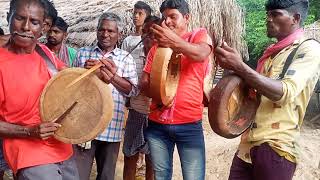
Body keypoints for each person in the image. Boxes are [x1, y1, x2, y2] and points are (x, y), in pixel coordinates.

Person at [214, 0, 320, 180]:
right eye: (267, 14)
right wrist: (231, 69)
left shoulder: (309, 49)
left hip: (276, 148)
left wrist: (240, 67)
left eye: (276, 14)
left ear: (295, 18)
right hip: (247, 146)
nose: (268, 19)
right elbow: (253, 95)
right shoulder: (271, 54)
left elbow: (284, 92)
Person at [0, 0, 79, 179]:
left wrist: (99, 74)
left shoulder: (45, 53)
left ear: (43, 27)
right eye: (19, 18)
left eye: (34, 22)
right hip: (28, 155)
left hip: (63, 149)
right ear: (8, 18)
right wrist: (29, 131)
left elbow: (74, 80)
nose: (26, 27)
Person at [140, 0, 212, 179]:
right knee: (161, 176)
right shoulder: (156, 48)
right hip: (157, 125)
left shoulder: (198, 35)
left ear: (186, 17)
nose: (168, 22)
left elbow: (201, 54)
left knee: (193, 176)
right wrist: (160, 93)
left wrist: (172, 42)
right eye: (164, 18)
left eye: (173, 16)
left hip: (189, 124)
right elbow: (144, 83)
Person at [72, 12, 138, 180]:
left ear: (119, 34)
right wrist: (84, 74)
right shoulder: (83, 54)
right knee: (78, 174)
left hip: (111, 128)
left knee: (107, 176)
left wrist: (112, 77)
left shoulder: (126, 58)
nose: (105, 34)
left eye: (110, 31)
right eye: (102, 30)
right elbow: (71, 87)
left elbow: (132, 91)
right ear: (96, 31)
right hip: (84, 126)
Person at [121, 2, 154, 180]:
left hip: (154, 113)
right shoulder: (129, 42)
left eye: (140, 13)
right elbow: (124, 70)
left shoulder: (161, 51)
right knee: (130, 154)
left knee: (152, 159)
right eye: (134, 13)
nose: (135, 16)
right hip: (135, 107)